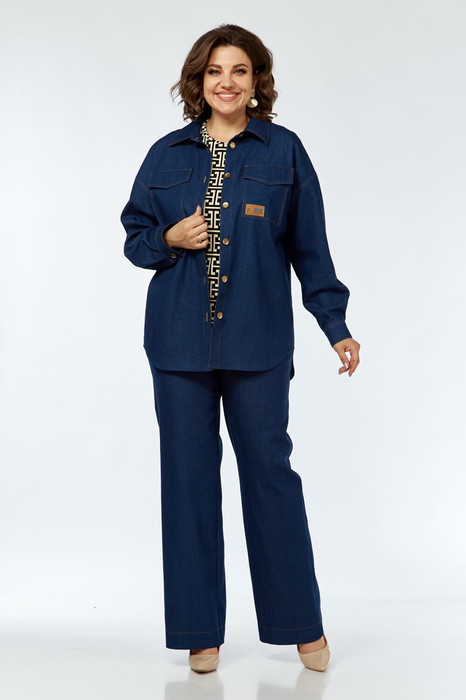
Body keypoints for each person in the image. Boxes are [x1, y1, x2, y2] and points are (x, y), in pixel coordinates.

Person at [120, 23, 360, 674]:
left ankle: (301, 625)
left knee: (270, 476)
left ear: (257, 82)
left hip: (259, 342)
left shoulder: (284, 152)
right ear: (198, 81)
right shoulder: (166, 154)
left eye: (240, 71)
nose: (226, 82)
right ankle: (200, 633)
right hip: (177, 345)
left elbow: (310, 247)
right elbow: (134, 237)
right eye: (214, 71)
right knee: (188, 484)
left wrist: (335, 324)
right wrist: (168, 238)